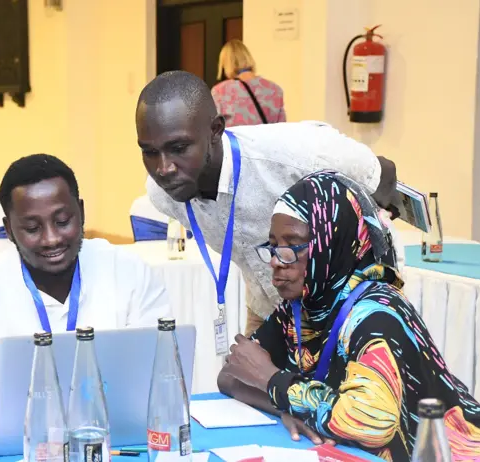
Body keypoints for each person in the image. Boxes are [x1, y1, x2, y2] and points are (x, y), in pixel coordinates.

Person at [218, 171, 480, 460]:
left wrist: (275, 383)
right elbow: (231, 376)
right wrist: (284, 406)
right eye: (273, 246)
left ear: (333, 243)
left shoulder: (378, 313)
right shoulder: (304, 308)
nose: (277, 262)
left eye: (292, 246)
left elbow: (369, 423)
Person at [135, 70, 401, 337]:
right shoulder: (162, 194)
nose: (164, 168)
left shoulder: (294, 154)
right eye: (149, 152)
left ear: (215, 130)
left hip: (345, 310)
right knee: (238, 377)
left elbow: (382, 173)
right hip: (269, 309)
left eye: (179, 148)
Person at [0, 154, 171, 427]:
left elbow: (163, 372)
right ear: (8, 229)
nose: (51, 238)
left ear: (81, 212)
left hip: (121, 437)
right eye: (32, 228)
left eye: (63, 221)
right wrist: (15, 404)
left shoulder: (129, 272)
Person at [211, 39, 286, 127]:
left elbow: (212, 130)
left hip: (235, 141)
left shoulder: (220, 91)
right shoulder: (275, 89)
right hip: (267, 141)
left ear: (225, 65)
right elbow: (282, 128)